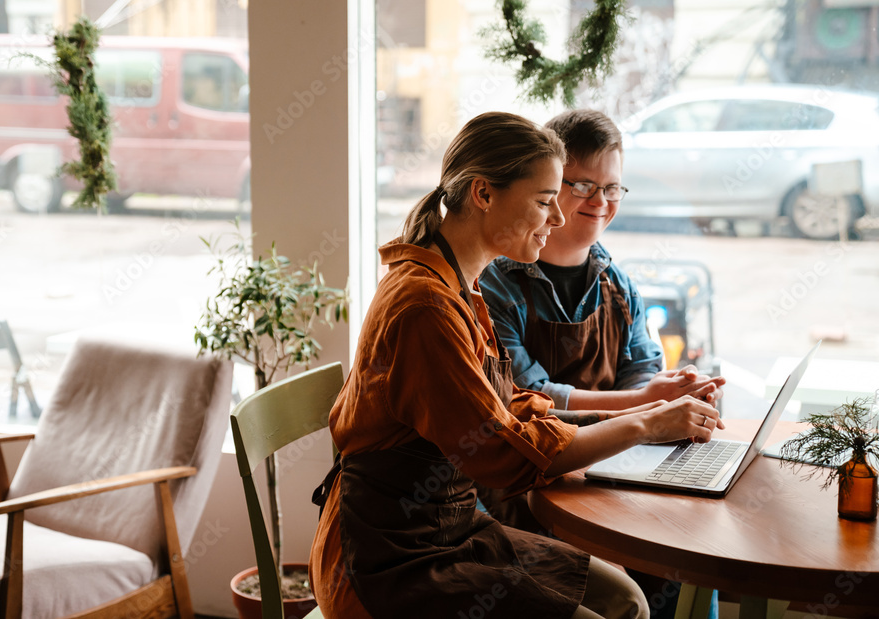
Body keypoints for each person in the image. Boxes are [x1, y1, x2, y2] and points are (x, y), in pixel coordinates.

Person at [308, 111, 723, 619]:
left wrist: (637, 420)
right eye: (546, 201)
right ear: (484, 193)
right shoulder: (425, 307)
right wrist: (641, 422)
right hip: (390, 559)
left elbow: (514, 405)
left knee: (627, 600)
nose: (557, 219)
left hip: (454, 533)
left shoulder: (461, 285)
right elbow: (503, 458)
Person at [480, 109, 725, 412]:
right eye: (583, 186)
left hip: (619, 453)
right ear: (549, 184)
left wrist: (676, 391)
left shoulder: (620, 287)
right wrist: (646, 401)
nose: (600, 202)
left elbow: (640, 371)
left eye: (611, 189)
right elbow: (525, 395)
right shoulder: (492, 287)